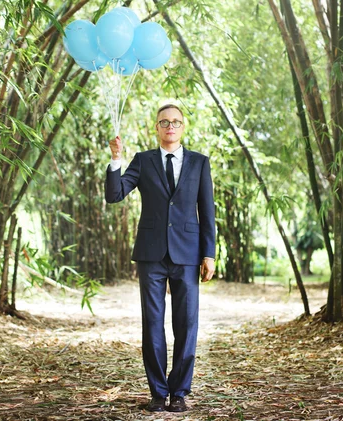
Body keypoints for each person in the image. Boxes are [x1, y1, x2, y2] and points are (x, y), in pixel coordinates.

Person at [105, 104, 216, 412]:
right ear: (156, 127)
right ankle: (157, 392)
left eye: (176, 122)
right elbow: (115, 195)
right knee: (153, 323)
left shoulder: (199, 163)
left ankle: (179, 392)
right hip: (151, 254)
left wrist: (209, 253)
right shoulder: (142, 161)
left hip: (188, 253)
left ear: (183, 127)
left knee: (186, 323)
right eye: (164, 122)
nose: (170, 126)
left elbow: (207, 210)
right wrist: (117, 159)